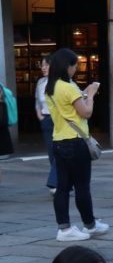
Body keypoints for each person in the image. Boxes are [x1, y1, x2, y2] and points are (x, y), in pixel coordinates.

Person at [44, 48, 107, 243]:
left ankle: (64, 228)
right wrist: (92, 94)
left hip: (59, 140)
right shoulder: (68, 87)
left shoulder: (50, 87)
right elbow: (86, 113)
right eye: (74, 65)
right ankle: (90, 224)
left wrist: (84, 95)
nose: (75, 69)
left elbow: (71, 110)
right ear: (67, 66)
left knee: (62, 187)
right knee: (82, 186)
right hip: (76, 141)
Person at [34, 55, 58, 193]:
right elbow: (37, 100)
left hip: (60, 120)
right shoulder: (41, 82)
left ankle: (55, 183)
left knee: (59, 152)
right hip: (47, 120)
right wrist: (40, 116)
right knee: (51, 153)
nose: (43, 68)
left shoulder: (61, 82)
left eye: (46, 65)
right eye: (42, 65)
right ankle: (62, 180)